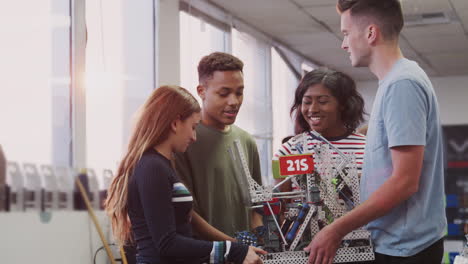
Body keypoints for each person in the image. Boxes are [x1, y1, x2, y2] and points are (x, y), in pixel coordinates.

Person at [304, 1, 447, 264]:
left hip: (406, 249)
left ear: (370, 33)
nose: (343, 44)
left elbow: (404, 182)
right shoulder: (395, 81)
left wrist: (335, 230)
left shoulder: (402, 84)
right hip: (399, 243)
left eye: (346, 33)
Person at [105, 85, 265, 264]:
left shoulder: (164, 165)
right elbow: (167, 243)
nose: (194, 137)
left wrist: (236, 248)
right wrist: (232, 251)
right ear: (175, 123)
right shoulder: (152, 167)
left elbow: (186, 226)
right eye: (193, 127)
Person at [174, 52, 263, 238]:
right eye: (224, 93)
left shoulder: (246, 141)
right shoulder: (184, 140)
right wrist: (230, 247)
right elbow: (187, 212)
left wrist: (258, 240)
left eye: (239, 93)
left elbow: (256, 206)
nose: (234, 102)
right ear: (201, 91)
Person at [273, 68, 366, 197]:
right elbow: (282, 204)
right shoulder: (288, 151)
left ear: (343, 104)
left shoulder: (368, 148)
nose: (313, 109)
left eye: (322, 101)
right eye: (307, 102)